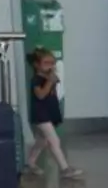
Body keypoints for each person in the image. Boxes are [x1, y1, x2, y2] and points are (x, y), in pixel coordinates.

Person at [24, 48, 82, 180]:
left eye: (52, 63)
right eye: (46, 63)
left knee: (42, 142)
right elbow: (40, 95)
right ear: (37, 65)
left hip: (47, 114)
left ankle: (30, 163)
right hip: (41, 116)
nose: (50, 66)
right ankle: (65, 169)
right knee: (54, 141)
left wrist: (52, 80)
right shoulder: (36, 79)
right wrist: (50, 82)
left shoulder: (49, 77)